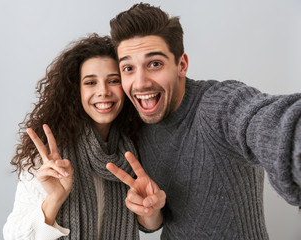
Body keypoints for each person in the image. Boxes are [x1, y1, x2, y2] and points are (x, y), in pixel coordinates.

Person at [106, 3, 301, 239]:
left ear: (181, 65)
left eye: (154, 64)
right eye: (128, 68)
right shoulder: (135, 126)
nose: (140, 83)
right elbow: (153, 223)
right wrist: (149, 210)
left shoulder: (216, 104)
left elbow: (273, 125)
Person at [3, 34, 145, 239]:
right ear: (75, 90)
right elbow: (12, 236)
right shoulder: (48, 154)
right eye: (90, 82)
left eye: (113, 80)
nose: (103, 91)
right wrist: (54, 198)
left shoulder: (134, 147)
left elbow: (149, 220)